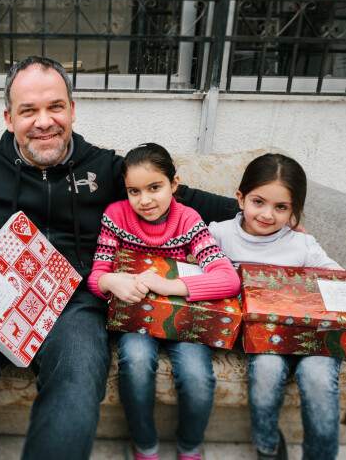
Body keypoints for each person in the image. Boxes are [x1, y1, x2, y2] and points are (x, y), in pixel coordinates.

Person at [0, 56, 238, 460]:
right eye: (29, 110)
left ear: (72, 110)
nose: (44, 121)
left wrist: (259, 219)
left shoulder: (106, 168)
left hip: (75, 301)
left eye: (55, 107)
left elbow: (184, 199)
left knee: (79, 382)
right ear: (9, 118)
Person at [87, 143, 241, 460]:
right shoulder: (115, 216)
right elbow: (97, 274)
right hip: (136, 318)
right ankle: (145, 446)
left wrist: (169, 285)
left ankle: (189, 447)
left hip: (184, 317)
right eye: (134, 191)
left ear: (174, 184)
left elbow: (228, 278)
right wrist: (109, 280)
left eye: (155, 187)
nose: (145, 200)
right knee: (136, 363)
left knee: (197, 376)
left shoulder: (187, 220)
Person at [208, 153, 343, 460]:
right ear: (241, 198)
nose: (267, 214)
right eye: (259, 202)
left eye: (280, 207)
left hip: (313, 338)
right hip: (263, 339)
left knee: (318, 378)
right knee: (267, 370)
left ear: (293, 210)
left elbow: (340, 280)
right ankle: (268, 449)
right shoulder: (219, 235)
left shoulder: (302, 244)